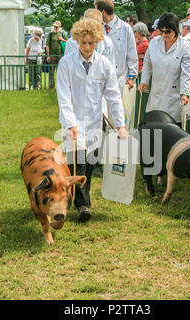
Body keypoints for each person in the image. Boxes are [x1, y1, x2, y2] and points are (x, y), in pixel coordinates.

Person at [57, 18, 127, 222]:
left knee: (89, 163)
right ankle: (83, 205)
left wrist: (120, 125)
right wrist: (71, 123)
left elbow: (113, 96)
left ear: (97, 42)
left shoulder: (104, 64)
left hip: (96, 122)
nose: (87, 47)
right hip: (73, 121)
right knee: (76, 164)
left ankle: (75, 200)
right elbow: (63, 96)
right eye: (83, 42)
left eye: (91, 43)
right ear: (77, 40)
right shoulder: (66, 63)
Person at [139, 13, 190, 126]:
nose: (164, 34)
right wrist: (144, 81)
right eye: (162, 31)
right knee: (152, 133)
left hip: (174, 98)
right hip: (156, 94)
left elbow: (187, 73)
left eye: (168, 31)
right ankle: (149, 144)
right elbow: (147, 63)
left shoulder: (186, 47)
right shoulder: (154, 43)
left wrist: (185, 93)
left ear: (176, 30)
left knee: (171, 134)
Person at [95, 0, 138, 92]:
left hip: (120, 78)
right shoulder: (97, 27)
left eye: (96, 11)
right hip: (100, 78)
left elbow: (132, 54)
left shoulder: (126, 28)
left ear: (103, 12)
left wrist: (131, 77)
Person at [46, 21, 68, 88]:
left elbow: (68, 42)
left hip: (60, 55)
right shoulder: (50, 34)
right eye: (54, 26)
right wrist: (48, 55)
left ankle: (60, 87)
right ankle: (51, 86)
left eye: (56, 26)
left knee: (60, 72)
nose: (55, 27)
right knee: (51, 72)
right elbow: (47, 45)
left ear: (59, 27)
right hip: (52, 56)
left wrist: (62, 39)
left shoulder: (62, 33)